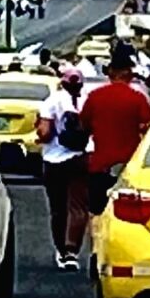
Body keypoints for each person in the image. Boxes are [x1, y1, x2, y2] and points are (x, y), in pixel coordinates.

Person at [82, 54, 150, 215]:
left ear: (110, 73)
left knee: (96, 214)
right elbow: (148, 130)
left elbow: (83, 125)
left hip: (100, 166)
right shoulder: (138, 98)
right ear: (127, 73)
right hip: (128, 168)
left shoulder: (95, 97)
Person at [35, 69, 89, 271]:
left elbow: (46, 133)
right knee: (78, 207)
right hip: (80, 159)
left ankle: (60, 250)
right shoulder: (87, 101)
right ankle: (72, 251)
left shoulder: (51, 101)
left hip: (53, 160)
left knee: (58, 209)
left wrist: (39, 134)